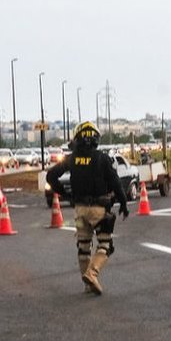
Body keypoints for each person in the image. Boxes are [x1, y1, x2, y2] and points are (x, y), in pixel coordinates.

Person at [46, 121, 129, 295]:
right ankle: (92, 273)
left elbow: (51, 176)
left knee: (83, 247)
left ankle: (87, 285)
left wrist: (64, 194)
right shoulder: (102, 158)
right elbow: (115, 182)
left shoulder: (72, 158)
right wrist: (123, 203)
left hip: (79, 209)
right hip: (98, 209)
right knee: (106, 244)